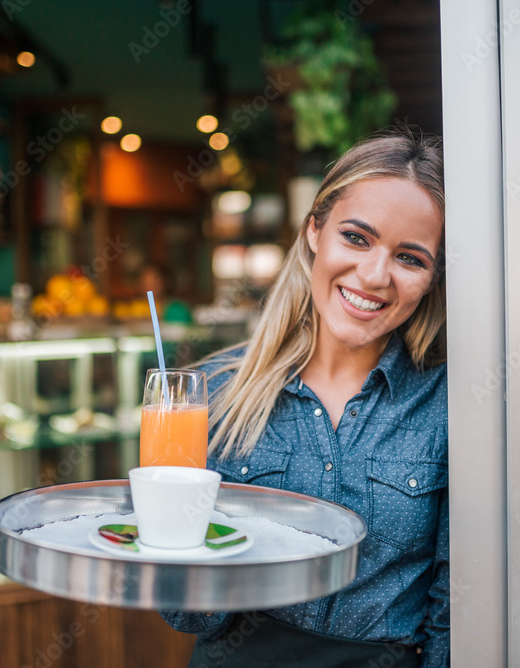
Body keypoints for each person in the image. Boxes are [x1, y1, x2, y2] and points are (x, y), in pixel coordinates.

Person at [162, 126, 448, 667]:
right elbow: (186, 616)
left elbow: (454, 609)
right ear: (314, 231)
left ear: (432, 278)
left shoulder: (448, 405)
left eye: (410, 258)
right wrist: (170, 523)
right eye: (356, 238)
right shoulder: (218, 393)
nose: (373, 275)